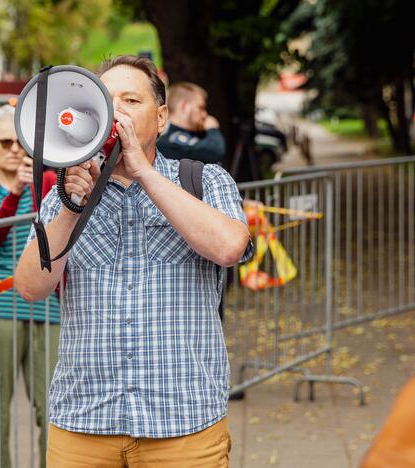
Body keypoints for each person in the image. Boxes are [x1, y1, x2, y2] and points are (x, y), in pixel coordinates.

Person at [14, 55, 253, 467]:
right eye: (104, 101)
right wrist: (72, 209)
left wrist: (144, 172)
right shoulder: (66, 193)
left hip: (184, 422)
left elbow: (230, 247)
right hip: (83, 422)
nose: (116, 111)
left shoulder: (204, 180)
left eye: (130, 100)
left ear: (161, 118)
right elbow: (31, 287)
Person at [0, 105, 60, 468]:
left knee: (53, 407)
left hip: (49, 305)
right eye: (6, 141)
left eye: (23, 141)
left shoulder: (47, 181)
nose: (16, 149)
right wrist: (16, 193)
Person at [156, 81, 226, 164]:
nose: (205, 114)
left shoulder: (194, 135)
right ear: (184, 107)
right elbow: (214, 151)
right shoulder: (171, 139)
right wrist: (212, 129)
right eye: (201, 108)